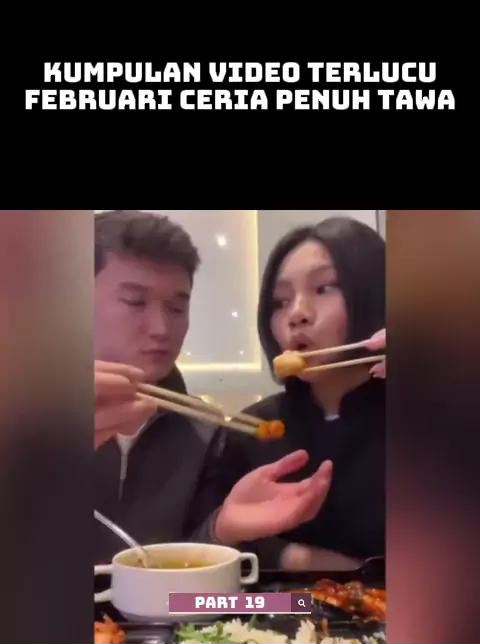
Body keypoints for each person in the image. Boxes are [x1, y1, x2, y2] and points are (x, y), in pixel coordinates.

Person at [94, 211, 333, 568]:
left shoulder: (204, 429)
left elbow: (186, 589)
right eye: (134, 302)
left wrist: (221, 530)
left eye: (177, 307)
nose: (161, 328)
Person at [204, 216, 386, 575]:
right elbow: (202, 549)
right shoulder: (251, 428)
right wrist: (293, 558)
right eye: (280, 301)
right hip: (276, 607)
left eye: (324, 288)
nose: (297, 314)